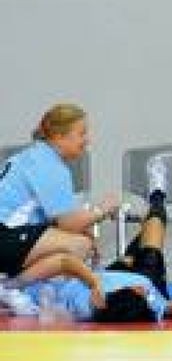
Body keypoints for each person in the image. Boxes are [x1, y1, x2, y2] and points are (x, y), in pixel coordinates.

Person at [11, 153, 172, 322]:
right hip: (140, 276)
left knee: (137, 251)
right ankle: (157, 195)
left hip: (108, 275)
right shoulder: (144, 294)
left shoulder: (79, 302)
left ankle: (145, 225)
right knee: (151, 243)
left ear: (98, 299)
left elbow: (65, 262)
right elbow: (169, 309)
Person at [0, 104, 119, 278]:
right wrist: (102, 209)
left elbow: (60, 222)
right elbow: (69, 224)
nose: (87, 140)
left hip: (8, 234)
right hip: (5, 236)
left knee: (78, 241)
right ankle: (12, 287)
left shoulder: (32, 155)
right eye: (82, 133)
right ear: (59, 136)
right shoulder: (49, 166)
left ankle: (17, 285)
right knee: (80, 246)